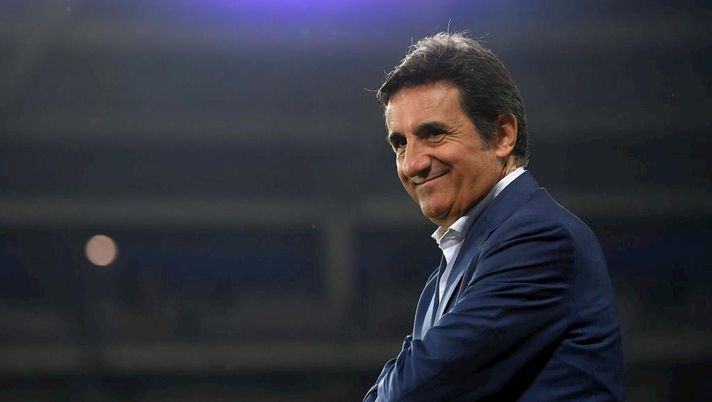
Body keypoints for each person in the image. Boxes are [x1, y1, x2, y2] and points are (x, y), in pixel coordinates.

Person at [363, 32, 624, 401]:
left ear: (503, 135)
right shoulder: (451, 270)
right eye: (400, 144)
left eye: (434, 134)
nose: (412, 164)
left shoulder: (539, 239)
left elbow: (413, 392)